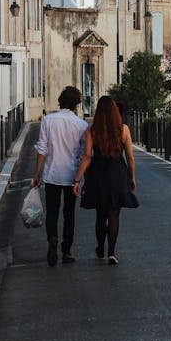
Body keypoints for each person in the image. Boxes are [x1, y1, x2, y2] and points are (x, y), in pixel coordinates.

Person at [73, 95, 137, 265]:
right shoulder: (123, 130)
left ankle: (100, 247)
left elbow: (87, 156)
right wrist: (132, 178)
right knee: (114, 213)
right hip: (118, 174)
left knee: (100, 214)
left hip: (98, 174)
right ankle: (112, 252)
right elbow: (130, 157)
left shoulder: (92, 130)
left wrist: (77, 179)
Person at [31, 86, 88, 266]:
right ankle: (67, 250)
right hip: (71, 176)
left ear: (60, 101)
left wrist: (36, 175)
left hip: (51, 174)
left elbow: (42, 150)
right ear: (77, 104)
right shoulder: (82, 125)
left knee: (52, 212)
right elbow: (82, 154)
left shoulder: (48, 120)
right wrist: (79, 177)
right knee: (69, 214)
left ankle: (52, 238)